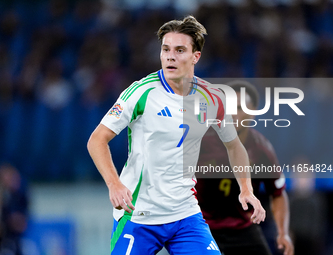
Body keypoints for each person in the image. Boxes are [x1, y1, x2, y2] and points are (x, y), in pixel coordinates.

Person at [87, 16, 265, 255]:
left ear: (196, 56)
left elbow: (234, 146)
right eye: (165, 49)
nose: (170, 56)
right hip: (138, 214)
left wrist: (246, 189)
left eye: (180, 50)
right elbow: (97, 139)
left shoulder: (213, 98)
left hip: (185, 214)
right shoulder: (141, 92)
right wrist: (114, 185)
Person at [196, 81, 294, 255]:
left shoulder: (261, 149)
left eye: (240, 108)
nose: (233, 114)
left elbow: (278, 193)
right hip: (200, 227)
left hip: (242, 229)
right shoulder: (200, 140)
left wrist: (283, 232)